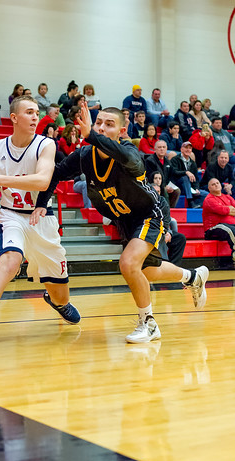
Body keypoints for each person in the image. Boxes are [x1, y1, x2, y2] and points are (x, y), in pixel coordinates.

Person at [35, 102, 209, 343]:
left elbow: (125, 156)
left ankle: (148, 324)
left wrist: (91, 135)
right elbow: (55, 173)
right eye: (98, 123)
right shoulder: (85, 156)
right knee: (148, 271)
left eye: (109, 125)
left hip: (149, 214)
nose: (102, 128)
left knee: (128, 264)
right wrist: (42, 202)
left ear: (122, 130)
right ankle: (193, 277)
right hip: (125, 221)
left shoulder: (130, 153)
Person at [0, 95, 80, 354]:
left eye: (37, 112)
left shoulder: (45, 144)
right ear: (14, 117)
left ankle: (57, 301)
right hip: (11, 215)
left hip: (42, 219)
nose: (35, 117)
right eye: (29, 112)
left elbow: (42, 181)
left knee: (61, 293)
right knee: (9, 262)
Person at [151, 183, 186, 265]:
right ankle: (159, 264)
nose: (157, 194)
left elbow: (166, 220)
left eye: (158, 192)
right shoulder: (144, 203)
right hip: (151, 231)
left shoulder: (162, 202)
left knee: (179, 238)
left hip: (163, 231)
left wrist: (168, 232)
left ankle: (173, 266)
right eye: (155, 191)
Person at [203, 178, 235, 263]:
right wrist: (229, 210)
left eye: (217, 183)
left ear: (221, 185)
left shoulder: (228, 197)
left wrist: (228, 210)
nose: (216, 185)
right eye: (213, 184)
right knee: (228, 229)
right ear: (209, 188)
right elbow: (222, 210)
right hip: (212, 229)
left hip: (229, 225)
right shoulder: (209, 199)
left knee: (230, 228)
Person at [170, 141, 208, 208]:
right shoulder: (175, 159)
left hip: (190, 187)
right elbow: (174, 172)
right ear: (181, 149)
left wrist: (196, 188)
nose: (188, 150)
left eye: (190, 148)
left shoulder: (192, 163)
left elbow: (196, 178)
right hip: (178, 185)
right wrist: (186, 172)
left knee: (206, 195)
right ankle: (190, 201)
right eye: (186, 147)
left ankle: (196, 204)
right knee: (185, 178)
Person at [145, 140, 180, 207]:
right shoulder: (150, 160)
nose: (162, 149)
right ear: (155, 149)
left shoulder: (168, 162)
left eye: (164, 147)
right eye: (159, 147)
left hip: (166, 184)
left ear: (166, 149)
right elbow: (150, 177)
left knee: (177, 190)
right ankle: (165, 210)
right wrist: (164, 186)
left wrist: (171, 185)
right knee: (163, 190)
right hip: (154, 185)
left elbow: (172, 176)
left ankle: (171, 209)